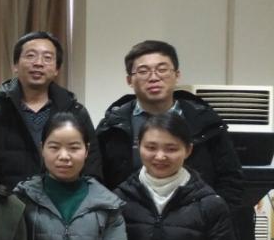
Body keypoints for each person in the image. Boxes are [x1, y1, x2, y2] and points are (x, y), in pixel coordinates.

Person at [97, 39, 243, 210]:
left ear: (177, 75)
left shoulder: (206, 122)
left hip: (197, 220)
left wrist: (214, 215)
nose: (154, 77)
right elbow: (98, 182)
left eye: (162, 69)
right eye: (143, 71)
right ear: (130, 80)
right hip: (128, 220)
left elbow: (230, 179)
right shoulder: (111, 127)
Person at [0, 31, 101, 190]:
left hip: (61, 202)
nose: (38, 63)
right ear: (15, 65)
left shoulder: (75, 112)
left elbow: (92, 167)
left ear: (57, 69)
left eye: (47, 58)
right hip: (5, 202)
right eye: (30, 56)